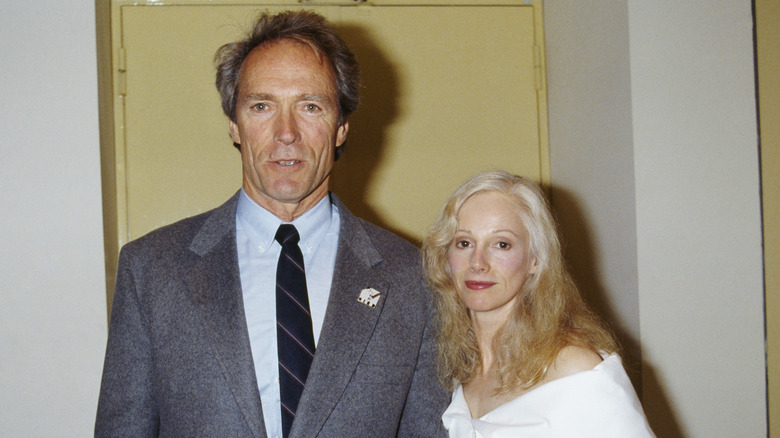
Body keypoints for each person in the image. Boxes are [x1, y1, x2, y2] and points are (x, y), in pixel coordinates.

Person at [95, 10, 448, 438]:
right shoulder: (152, 270)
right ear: (234, 125)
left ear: (340, 127)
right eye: (262, 106)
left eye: (310, 106)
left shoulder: (412, 277)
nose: (286, 133)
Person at [422, 170, 654, 437]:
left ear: (535, 260)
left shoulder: (576, 369)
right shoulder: (457, 370)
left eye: (501, 244)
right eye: (464, 243)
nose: (477, 263)